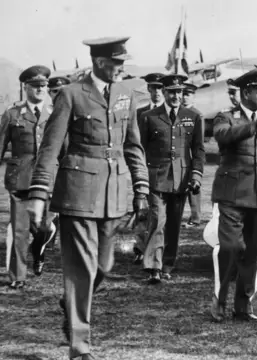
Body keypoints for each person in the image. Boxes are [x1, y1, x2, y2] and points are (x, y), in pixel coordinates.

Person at [27, 37, 150, 360]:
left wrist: (141, 188)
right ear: (99, 62)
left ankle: (70, 305)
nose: (122, 68)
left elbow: (133, 146)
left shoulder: (126, 95)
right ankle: (80, 347)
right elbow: (50, 149)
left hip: (113, 194)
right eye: (117, 63)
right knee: (81, 270)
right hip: (78, 193)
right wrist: (39, 193)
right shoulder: (70, 95)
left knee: (104, 266)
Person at [210, 66, 257, 323]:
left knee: (253, 255)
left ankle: (243, 307)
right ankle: (220, 301)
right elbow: (223, 137)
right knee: (231, 248)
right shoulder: (226, 117)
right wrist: (251, 126)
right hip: (232, 195)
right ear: (246, 92)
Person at [138, 74, 205, 284]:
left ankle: (167, 264)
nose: (176, 96)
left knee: (174, 224)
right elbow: (140, 149)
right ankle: (154, 267)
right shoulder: (149, 117)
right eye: (172, 92)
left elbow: (199, 149)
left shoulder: (193, 116)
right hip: (156, 177)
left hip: (182, 178)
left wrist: (196, 174)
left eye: (179, 92)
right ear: (164, 93)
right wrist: (141, 177)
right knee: (157, 220)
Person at [0, 65, 60, 287]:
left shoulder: (55, 115)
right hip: (20, 180)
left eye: (43, 86)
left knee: (44, 227)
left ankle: (39, 250)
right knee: (19, 229)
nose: (40, 90)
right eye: (35, 87)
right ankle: (18, 277)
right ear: (26, 88)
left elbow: (63, 149)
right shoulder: (12, 114)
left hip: (47, 180)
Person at [131, 72, 165, 265]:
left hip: (162, 171)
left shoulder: (169, 113)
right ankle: (139, 247)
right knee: (141, 209)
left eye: (160, 88)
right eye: (153, 88)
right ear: (149, 90)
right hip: (144, 170)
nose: (157, 92)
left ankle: (154, 251)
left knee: (158, 214)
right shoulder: (139, 113)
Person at [181, 81, 203, 229]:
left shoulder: (196, 115)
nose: (184, 97)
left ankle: (196, 217)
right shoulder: (176, 112)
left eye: (188, 95)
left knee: (194, 187)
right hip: (178, 156)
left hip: (191, 156)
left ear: (193, 97)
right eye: (183, 94)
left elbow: (199, 142)